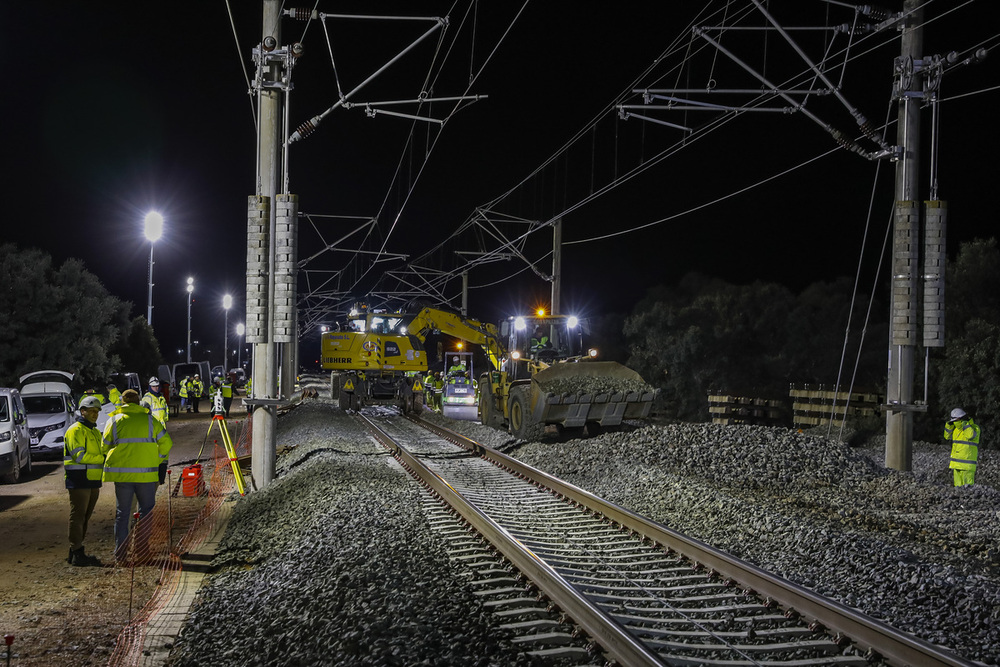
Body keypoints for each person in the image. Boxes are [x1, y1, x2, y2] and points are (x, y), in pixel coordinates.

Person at [102, 389, 173, 560]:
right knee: (146, 513)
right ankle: (142, 551)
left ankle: (120, 554)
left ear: (123, 402)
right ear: (138, 401)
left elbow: (104, 447)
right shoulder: (150, 420)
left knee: (122, 514)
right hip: (146, 476)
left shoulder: (114, 420)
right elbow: (167, 443)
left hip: (123, 477)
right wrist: (156, 460)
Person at [63, 396, 105, 567]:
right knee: (78, 516)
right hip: (79, 479)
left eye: (97, 411)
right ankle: (77, 550)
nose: (95, 414)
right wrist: (102, 458)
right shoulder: (75, 430)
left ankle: (75, 552)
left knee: (84, 517)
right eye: (92, 411)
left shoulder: (94, 431)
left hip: (92, 480)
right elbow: (79, 456)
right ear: (83, 411)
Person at [944, 408, 980, 487]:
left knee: (968, 489)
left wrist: (965, 424)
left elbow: (970, 435)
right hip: (956, 464)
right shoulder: (956, 430)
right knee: (958, 489)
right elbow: (947, 436)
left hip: (967, 466)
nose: (955, 423)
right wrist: (949, 426)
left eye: (955, 421)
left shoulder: (974, 428)